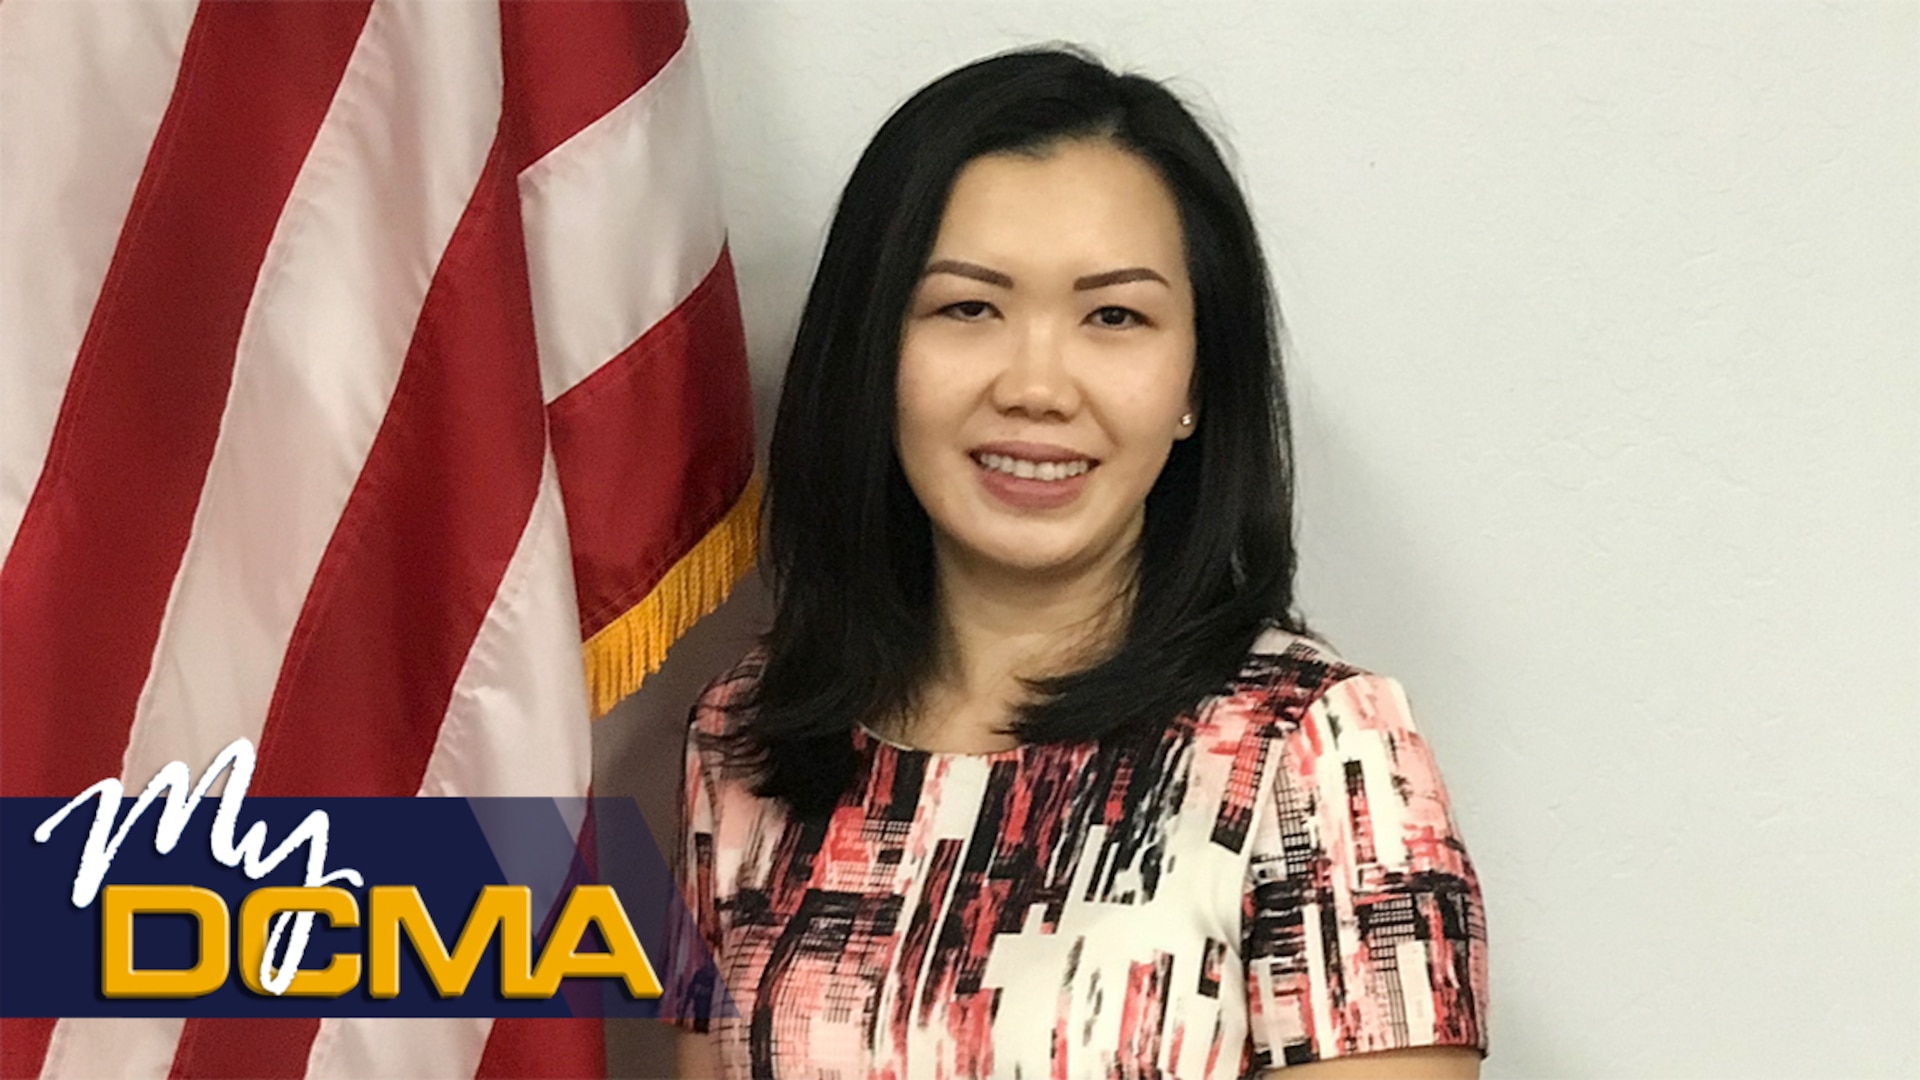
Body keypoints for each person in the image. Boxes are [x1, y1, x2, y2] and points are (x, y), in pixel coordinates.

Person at [664, 46, 1490, 1080]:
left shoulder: (1319, 754)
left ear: (1196, 381)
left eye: (1115, 317)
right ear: (874, 356)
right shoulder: (745, 735)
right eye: (968, 307)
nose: (1038, 386)